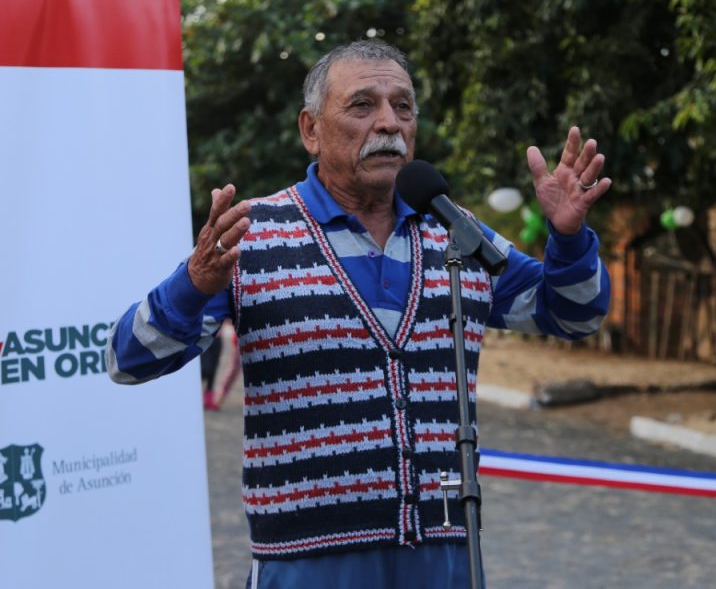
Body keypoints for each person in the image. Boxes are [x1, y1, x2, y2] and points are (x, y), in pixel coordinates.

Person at [106, 40, 611, 588]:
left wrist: (569, 238)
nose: (389, 122)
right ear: (311, 129)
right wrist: (192, 284)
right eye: (363, 105)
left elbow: (574, 314)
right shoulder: (253, 237)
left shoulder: (457, 232)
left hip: (445, 549)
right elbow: (126, 359)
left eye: (403, 106)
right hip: (307, 560)